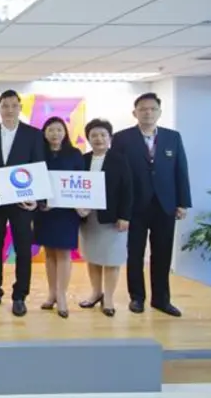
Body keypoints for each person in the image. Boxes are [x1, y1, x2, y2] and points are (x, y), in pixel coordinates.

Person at [111, 92, 191, 317]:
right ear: (134, 113)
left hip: (165, 205)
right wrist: (120, 209)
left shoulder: (172, 137)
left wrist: (183, 202)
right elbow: (117, 175)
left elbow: (181, 170)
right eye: (143, 109)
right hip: (134, 206)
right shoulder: (122, 138)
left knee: (162, 254)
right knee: (135, 254)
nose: (148, 113)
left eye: (152, 109)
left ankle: (161, 299)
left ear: (159, 112)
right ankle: (137, 298)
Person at [0, 90, 45, 317]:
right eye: (5, 106)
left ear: (20, 108)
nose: (9, 110)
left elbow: (39, 166)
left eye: (13, 105)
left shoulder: (34, 135)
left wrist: (36, 199)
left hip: (22, 202)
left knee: (23, 249)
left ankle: (20, 296)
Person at [78, 119, 133, 317]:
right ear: (88, 138)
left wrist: (124, 216)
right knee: (92, 257)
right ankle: (96, 293)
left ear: (110, 138)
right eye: (94, 135)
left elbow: (128, 190)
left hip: (112, 219)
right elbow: (74, 187)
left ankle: (108, 298)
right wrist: (78, 208)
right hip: (88, 217)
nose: (98, 139)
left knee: (111, 259)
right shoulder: (82, 160)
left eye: (103, 135)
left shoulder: (120, 160)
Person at [33, 117, 84, 319]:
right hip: (44, 211)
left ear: (65, 132)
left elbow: (81, 181)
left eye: (59, 130)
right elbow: (33, 180)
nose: (55, 134)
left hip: (66, 212)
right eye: (51, 130)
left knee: (63, 253)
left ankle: (62, 296)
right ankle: (52, 293)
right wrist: (39, 202)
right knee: (49, 254)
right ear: (44, 133)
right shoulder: (38, 154)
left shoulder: (74, 154)